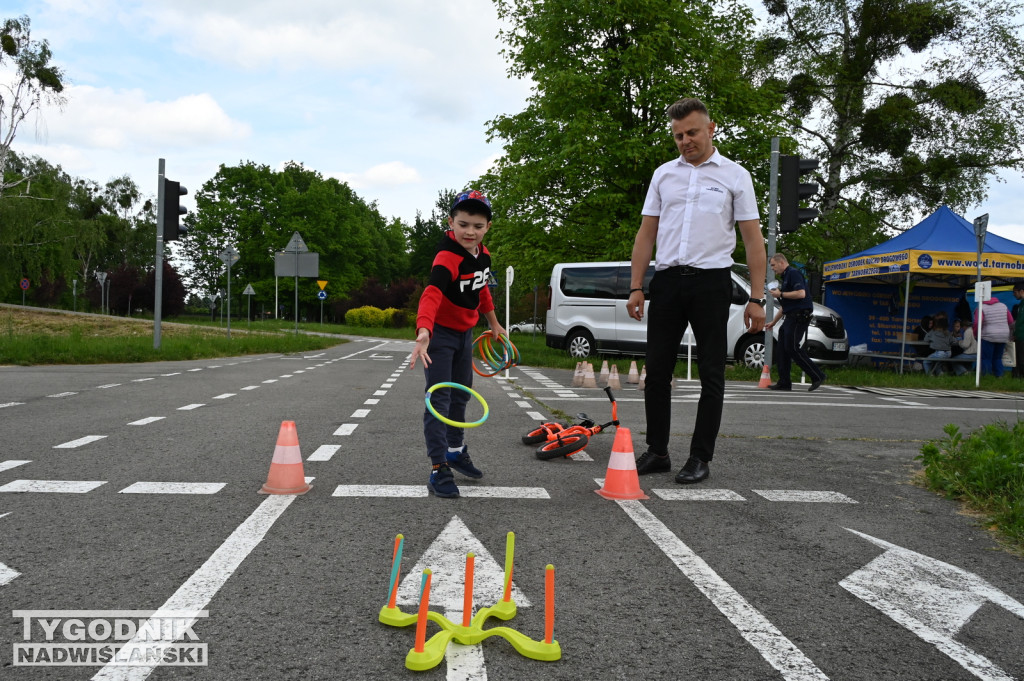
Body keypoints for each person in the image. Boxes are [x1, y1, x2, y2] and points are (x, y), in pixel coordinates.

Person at [626, 97, 766, 485]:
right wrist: (637, 286)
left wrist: (756, 298)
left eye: (691, 132)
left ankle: (700, 457)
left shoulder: (736, 176)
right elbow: (646, 233)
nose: (685, 140)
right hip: (668, 281)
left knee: (711, 374)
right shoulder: (663, 175)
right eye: (677, 135)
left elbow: (753, 240)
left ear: (711, 128)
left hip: (712, 281)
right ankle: (657, 451)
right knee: (656, 372)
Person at [409, 190, 506, 498]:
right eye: (463, 224)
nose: (470, 231)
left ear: (487, 227)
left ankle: (455, 450)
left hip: (465, 335)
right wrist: (424, 330)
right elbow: (432, 293)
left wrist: (493, 323)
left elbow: (483, 290)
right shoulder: (447, 256)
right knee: (439, 400)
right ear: (450, 222)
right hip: (440, 335)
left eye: (477, 226)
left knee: (461, 397)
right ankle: (438, 468)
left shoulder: (484, 254)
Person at [765, 253, 827, 391]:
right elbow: (785, 305)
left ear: (781, 263)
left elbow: (801, 294)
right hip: (790, 316)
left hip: (799, 316)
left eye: (773, 265)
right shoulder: (786, 277)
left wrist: (780, 294)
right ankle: (784, 382)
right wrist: (773, 322)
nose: (772, 269)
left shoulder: (793, 273)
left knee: (792, 348)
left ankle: (817, 375)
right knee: (782, 348)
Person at [973, 292, 1014, 377]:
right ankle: (999, 376)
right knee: (998, 358)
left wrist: (976, 333)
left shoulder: (981, 307)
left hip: (988, 336)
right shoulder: (1003, 306)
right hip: (1003, 336)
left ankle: (987, 377)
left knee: (986, 358)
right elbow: (1010, 321)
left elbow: (977, 323)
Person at [1012, 283, 1024, 378]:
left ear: (1021, 291)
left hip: (1022, 336)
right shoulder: (1021, 304)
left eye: (1015, 292)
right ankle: (1018, 378)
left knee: (1021, 359)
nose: (1013, 294)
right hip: (1019, 336)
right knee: (1018, 358)